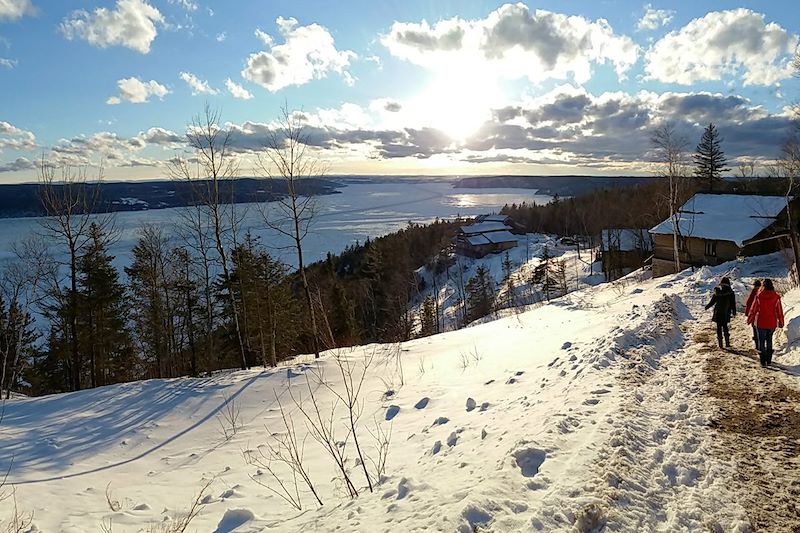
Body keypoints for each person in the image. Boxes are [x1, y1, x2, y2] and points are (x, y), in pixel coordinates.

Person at [747, 278, 784, 367]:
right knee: (769, 340)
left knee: (761, 341)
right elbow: (779, 310)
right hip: (772, 322)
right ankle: (769, 360)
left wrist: (750, 319)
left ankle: (763, 361)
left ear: (763, 286)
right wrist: (781, 321)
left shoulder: (759, 296)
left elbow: (753, 309)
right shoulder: (776, 297)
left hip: (760, 322)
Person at [705, 277, 736, 349]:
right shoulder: (731, 292)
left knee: (719, 328)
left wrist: (707, 307)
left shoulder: (717, 292)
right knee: (725, 327)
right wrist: (734, 311)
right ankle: (727, 344)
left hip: (718, 312)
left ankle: (720, 345)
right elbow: (732, 303)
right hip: (726, 312)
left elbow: (712, 302)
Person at [744, 279, 762, 350]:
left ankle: (757, 346)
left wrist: (747, 313)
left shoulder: (754, 292)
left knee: (755, 330)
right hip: (763, 315)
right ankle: (761, 345)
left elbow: (749, 303)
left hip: (755, 315)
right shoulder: (762, 292)